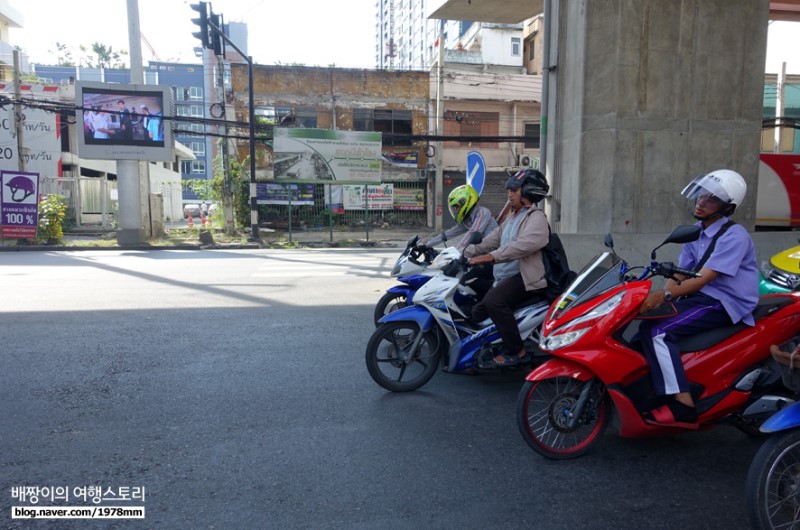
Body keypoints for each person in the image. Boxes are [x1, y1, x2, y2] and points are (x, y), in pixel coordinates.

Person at [638, 169, 758, 428]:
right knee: (642, 327)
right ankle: (649, 392)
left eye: (711, 199)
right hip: (700, 297)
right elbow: (680, 273)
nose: (701, 202)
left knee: (657, 331)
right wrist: (660, 298)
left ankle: (683, 403)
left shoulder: (735, 236)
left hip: (725, 302)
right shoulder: (696, 231)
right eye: (701, 196)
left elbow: (704, 278)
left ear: (727, 207)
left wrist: (664, 294)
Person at [464, 169, 550, 367]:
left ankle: (516, 350)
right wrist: (464, 252)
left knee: (494, 301)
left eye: (514, 190)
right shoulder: (512, 218)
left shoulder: (536, 218)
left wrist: (490, 257)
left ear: (528, 191)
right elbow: (490, 241)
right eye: (508, 190)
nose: (509, 194)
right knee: (477, 314)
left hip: (525, 278)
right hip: (505, 278)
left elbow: (522, 246)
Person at [424, 184, 498, 253]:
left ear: (465, 203)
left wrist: (455, 251)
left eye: (456, 207)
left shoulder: (482, 213)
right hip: (482, 252)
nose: (455, 211)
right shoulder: (467, 219)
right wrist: (427, 245)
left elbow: (471, 234)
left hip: (494, 254)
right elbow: (450, 233)